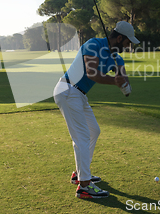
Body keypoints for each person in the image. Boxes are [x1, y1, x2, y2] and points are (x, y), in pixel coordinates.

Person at [53, 21, 140, 199]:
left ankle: (80, 173)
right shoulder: (94, 44)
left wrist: (125, 84)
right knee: (82, 136)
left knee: (94, 131)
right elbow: (92, 73)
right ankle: (84, 186)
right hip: (68, 90)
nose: (128, 46)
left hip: (79, 94)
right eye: (127, 42)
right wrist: (114, 81)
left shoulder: (116, 56)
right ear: (119, 37)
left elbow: (123, 77)